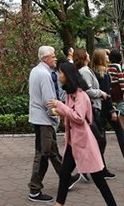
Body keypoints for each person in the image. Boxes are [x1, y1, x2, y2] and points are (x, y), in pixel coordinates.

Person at [48, 62, 119, 206]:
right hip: (73, 143)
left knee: (99, 179)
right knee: (64, 174)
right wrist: (60, 110)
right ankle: (59, 204)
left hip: (84, 143)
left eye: (61, 73)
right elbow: (71, 114)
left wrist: (60, 106)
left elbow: (79, 117)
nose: (59, 75)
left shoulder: (81, 95)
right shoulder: (70, 93)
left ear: (68, 76)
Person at [28, 45, 82, 202]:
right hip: (44, 119)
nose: (55, 58)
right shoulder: (44, 74)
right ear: (45, 58)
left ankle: (65, 177)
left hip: (41, 118)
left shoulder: (36, 71)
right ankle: (34, 189)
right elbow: (49, 101)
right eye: (52, 56)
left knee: (51, 150)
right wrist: (56, 117)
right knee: (43, 153)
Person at [73, 48, 112, 177]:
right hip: (93, 108)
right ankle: (96, 169)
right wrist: (101, 93)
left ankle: (95, 168)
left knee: (97, 139)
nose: (89, 55)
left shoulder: (86, 70)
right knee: (99, 140)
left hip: (94, 107)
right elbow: (87, 90)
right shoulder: (84, 71)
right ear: (84, 57)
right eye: (87, 54)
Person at [94, 48, 124, 167]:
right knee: (119, 132)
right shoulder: (104, 73)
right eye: (106, 56)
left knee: (100, 136)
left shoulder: (93, 72)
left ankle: (100, 165)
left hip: (97, 107)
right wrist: (112, 110)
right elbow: (106, 93)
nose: (108, 58)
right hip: (106, 107)